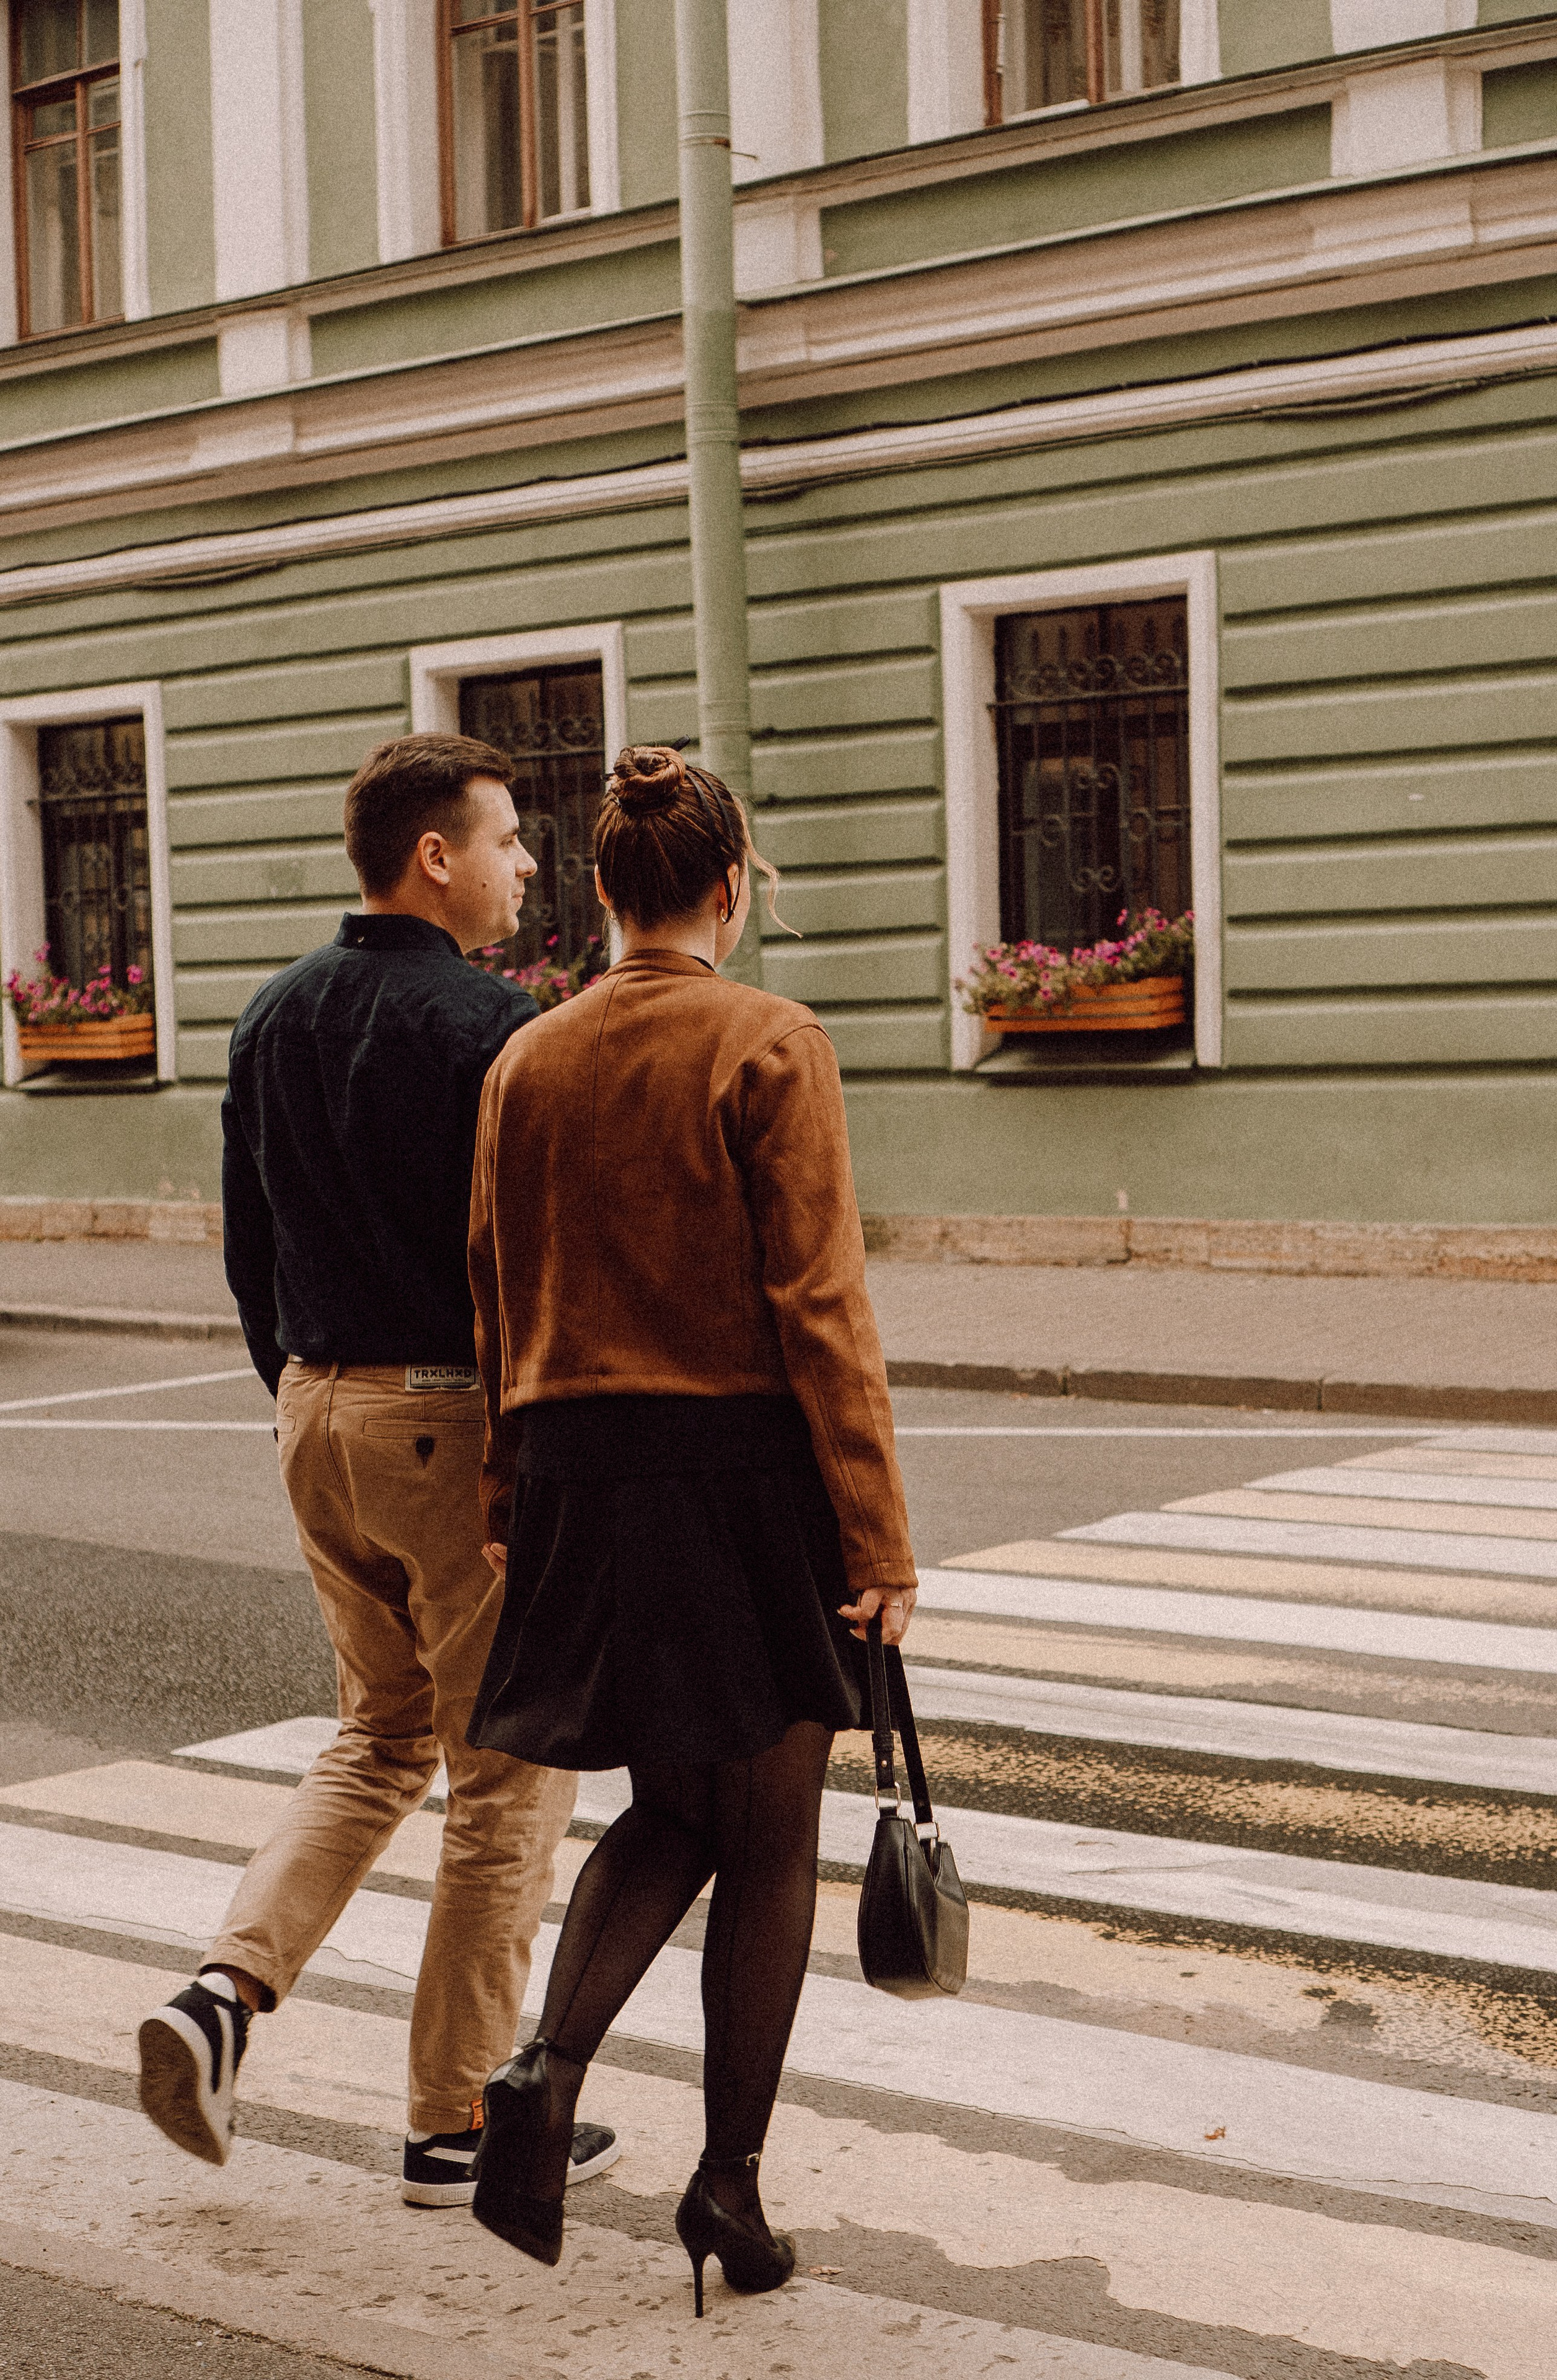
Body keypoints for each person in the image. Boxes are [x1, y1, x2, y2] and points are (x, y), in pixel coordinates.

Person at [463, 745, 917, 2313]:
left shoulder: (527, 1058)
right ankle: (726, 2183)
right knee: (768, 1826)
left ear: (599, 890)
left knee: (671, 1806)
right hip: (737, 1470)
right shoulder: (767, 1039)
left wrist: (508, 1498)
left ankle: (537, 2070)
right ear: (733, 888)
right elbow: (821, 1313)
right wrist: (877, 1544)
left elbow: (494, 1291)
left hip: (584, 1469)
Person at [136, 732, 619, 2207]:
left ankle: (225, 1992)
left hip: (315, 1411)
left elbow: (249, 1242)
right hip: (447, 1424)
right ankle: (456, 2119)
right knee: (506, 1774)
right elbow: (529, 1267)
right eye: (508, 840)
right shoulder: (493, 1028)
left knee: (375, 1738)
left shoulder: (272, 1014)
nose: (525, 865)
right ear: (435, 858)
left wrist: (298, 1384)